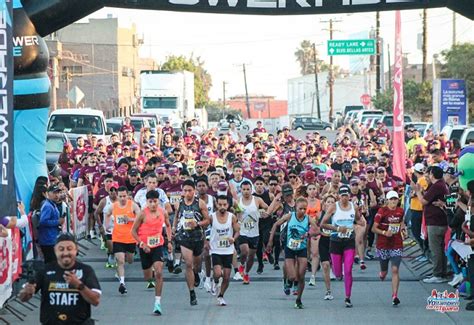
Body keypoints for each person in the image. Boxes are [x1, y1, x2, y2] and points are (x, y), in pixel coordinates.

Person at [19, 233, 101, 324]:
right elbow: (23, 298)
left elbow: (95, 301)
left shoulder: (86, 270)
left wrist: (79, 285)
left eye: (69, 249)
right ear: (55, 250)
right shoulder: (45, 270)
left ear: (76, 249)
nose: (65, 253)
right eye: (61, 249)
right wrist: (27, 292)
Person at [268, 197, 318, 309]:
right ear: (296, 207)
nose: (302, 211)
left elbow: (317, 230)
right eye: (300, 208)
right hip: (290, 247)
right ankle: (287, 280)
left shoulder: (308, 219)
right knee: (292, 276)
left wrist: (308, 234)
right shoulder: (290, 216)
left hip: (302, 248)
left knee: (301, 276)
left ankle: (298, 300)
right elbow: (276, 224)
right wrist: (270, 240)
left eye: (305, 209)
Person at [321, 185, 364, 308]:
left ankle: (347, 297)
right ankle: (337, 272)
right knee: (339, 273)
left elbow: (358, 220)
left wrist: (360, 217)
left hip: (349, 241)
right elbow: (323, 224)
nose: (344, 197)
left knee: (349, 270)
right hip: (335, 241)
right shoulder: (333, 207)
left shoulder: (353, 207)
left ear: (349, 195)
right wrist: (337, 228)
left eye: (346, 195)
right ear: (339, 195)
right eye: (342, 195)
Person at [131, 190, 172, 315]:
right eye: (150, 202)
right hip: (145, 247)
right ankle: (151, 277)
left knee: (159, 272)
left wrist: (169, 241)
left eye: (155, 201)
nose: (153, 204)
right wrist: (142, 244)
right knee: (148, 277)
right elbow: (133, 231)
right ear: (147, 202)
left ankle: (157, 303)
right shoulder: (142, 214)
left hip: (157, 246)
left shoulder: (163, 212)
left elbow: (168, 226)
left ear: (158, 201)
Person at [172, 179, 210, 306]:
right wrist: (173, 228)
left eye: (190, 190)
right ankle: (192, 292)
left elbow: (208, 220)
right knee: (188, 264)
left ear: (194, 191)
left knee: (197, 265)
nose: (187, 193)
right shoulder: (179, 203)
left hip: (198, 237)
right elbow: (176, 217)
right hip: (184, 237)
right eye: (185, 190)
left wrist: (197, 223)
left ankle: (196, 273)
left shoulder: (200, 203)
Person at [415, 166, 449, 283]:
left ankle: (438, 274)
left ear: (433, 174)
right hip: (438, 221)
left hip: (436, 222)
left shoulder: (437, 185)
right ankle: (441, 272)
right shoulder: (439, 185)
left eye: (429, 174)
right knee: (439, 249)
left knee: (435, 249)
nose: (427, 176)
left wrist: (417, 191)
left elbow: (423, 201)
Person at [372, 191, 407, 306]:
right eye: (391, 199)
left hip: (396, 243)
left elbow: (401, 222)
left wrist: (403, 229)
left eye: (395, 199)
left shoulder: (400, 211)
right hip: (383, 244)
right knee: (384, 271)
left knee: (395, 269)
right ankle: (382, 273)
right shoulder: (382, 211)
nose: (393, 201)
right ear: (387, 200)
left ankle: (395, 296)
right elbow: (373, 228)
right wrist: (384, 232)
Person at [105, 186, 141, 294]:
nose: (122, 198)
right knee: (120, 261)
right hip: (118, 237)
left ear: (127, 195)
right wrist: (107, 226)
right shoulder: (113, 206)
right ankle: (122, 283)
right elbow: (107, 215)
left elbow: (140, 217)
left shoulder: (132, 205)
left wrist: (130, 219)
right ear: (117, 196)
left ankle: (122, 271)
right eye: (120, 196)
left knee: (129, 260)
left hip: (130, 238)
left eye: (124, 196)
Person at [209, 195, 240, 306]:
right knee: (217, 273)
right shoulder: (211, 217)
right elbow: (205, 229)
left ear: (228, 205)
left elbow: (237, 231)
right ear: (216, 204)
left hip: (228, 250)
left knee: (226, 276)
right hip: (216, 249)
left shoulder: (232, 217)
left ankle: (221, 295)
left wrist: (234, 238)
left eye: (224, 205)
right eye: (220, 204)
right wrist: (205, 242)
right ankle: (215, 280)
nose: (222, 207)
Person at [237, 181, 269, 284]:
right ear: (241, 190)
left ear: (251, 190)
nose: (246, 192)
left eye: (248, 189)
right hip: (242, 231)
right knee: (244, 251)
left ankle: (246, 273)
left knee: (251, 256)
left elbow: (266, 208)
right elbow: (235, 212)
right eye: (244, 189)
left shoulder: (257, 200)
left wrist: (264, 213)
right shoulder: (238, 200)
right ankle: (241, 265)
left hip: (254, 233)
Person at [38, 185, 65, 264]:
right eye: (54, 193)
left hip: (52, 238)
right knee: (51, 264)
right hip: (48, 240)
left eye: (58, 193)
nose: (57, 195)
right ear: (47, 193)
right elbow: (43, 222)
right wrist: (57, 222)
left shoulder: (53, 204)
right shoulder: (47, 206)